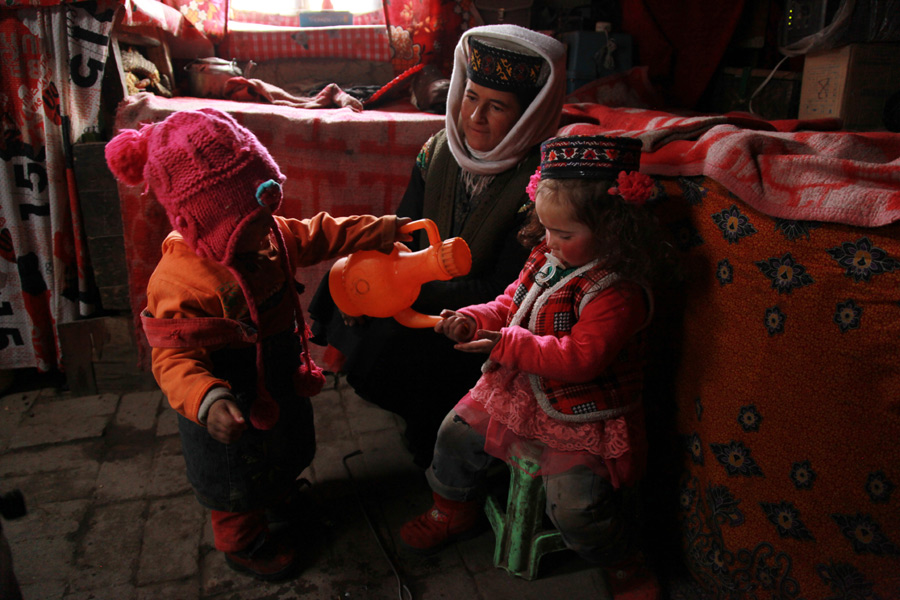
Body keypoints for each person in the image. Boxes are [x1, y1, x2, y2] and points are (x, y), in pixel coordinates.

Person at [104, 108, 410, 581]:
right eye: (252, 213)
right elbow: (172, 356)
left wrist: (384, 228)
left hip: (278, 372)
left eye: (269, 198)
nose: (270, 218)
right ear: (206, 223)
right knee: (234, 475)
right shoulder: (182, 283)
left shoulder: (267, 235)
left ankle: (282, 493)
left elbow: (322, 232)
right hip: (228, 396)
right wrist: (207, 399)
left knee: (283, 445)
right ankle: (241, 540)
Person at [400, 134, 671, 597]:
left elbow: (581, 360)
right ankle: (453, 509)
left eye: (565, 234)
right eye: (546, 230)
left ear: (614, 228)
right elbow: (510, 303)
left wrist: (503, 342)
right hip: (523, 390)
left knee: (575, 509)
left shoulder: (616, 291)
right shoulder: (547, 257)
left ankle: (623, 560)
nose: (551, 242)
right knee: (454, 434)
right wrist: (472, 319)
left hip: (581, 409)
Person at [309, 24, 567, 468]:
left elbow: (507, 285)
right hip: (418, 286)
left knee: (393, 343)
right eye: (470, 97)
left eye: (497, 106)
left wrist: (402, 292)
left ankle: (442, 450)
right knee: (343, 287)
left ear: (528, 116)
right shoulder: (438, 150)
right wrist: (375, 278)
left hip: (481, 312)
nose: (475, 118)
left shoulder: (541, 185)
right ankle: (420, 420)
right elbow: (403, 234)